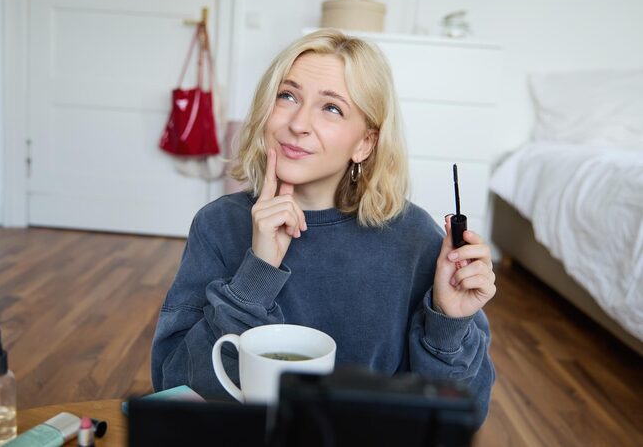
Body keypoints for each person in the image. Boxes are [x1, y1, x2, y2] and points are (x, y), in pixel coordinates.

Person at [151, 28, 496, 424]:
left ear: (365, 143)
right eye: (287, 96)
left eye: (331, 108)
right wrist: (255, 277)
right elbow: (174, 385)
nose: (298, 123)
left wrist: (449, 324)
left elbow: (460, 417)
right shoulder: (219, 225)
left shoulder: (415, 239)